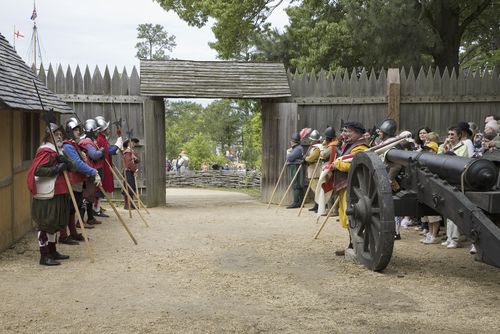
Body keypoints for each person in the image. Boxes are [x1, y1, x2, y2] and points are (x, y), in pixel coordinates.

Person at [27, 123, 77, 266]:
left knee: (55, 222)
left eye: (60, 134)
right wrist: (56, 169)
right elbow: (37, 170)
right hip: (47, 194)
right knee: (46, 223)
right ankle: (44, 255)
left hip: (60, 192)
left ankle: (53, 251)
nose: (59, 136)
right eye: (56, 134)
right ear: (48, 136)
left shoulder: (60, 151)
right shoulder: (45, 151)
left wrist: (66, 162)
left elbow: (73, 166)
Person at [59, 118, 101, 245]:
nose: (78, 132)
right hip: (71, 181)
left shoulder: (74, 145)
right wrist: (93, 171)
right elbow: (76, 164)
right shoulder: (67, 146)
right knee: (67, 209)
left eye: (78, 129)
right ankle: (63, 235)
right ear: (69, 131)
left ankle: (73, 233)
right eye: (75, 129)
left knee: (73, 209)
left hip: (77, 181)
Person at [332, 121, 369, 255]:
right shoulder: (352, 145)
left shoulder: (361, 147)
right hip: (348, 186)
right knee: (348, 217)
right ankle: (352, 244)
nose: (347, 134)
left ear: (359, 133)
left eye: (350, 131)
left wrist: (337, 163)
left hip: (355, 188)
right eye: (346, 131)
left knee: (353, 217)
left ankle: (356, 246)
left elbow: (353, 165)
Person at [438, 125, 469, 249]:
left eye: (452, 134)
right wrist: (444, 145)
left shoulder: (463, 147)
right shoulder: (447, 146)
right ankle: (449, 237)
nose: (450, 137)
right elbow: (438, 156)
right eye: (449, 134)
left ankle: (456, 239)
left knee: (455, 210)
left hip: (457, 180)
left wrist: (447, 151)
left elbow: (458, 159)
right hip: (447, 179)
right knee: (447, 211)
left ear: (459, 135)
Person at [94, 116, 123, 218]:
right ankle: (96, 209)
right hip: (101, 166)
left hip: (103, 165)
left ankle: (97, 208)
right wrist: (117, 145)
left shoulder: (102, 139)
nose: (109, 130)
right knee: (99, 188)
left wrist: (117, 150)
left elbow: (109, 152)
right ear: (103, 130)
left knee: (100, 188)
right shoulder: (100, 140)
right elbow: (108, 152)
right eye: (107, 128)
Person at [79, 119, 105, 227]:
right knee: (86, 196)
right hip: (88, 172)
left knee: (90, 196)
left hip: (92, 170)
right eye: (95, 131)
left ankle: (90, 218)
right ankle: (80, 221)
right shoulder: (86, 142)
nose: (97, 133)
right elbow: (94, 155)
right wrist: (102, 151)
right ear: (90, 131)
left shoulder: (90, 141)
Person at [418, 141, 443, 244]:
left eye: (428, 149)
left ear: (434, 151)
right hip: (426, 189)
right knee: (428, 216)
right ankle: (430, 233)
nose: (426, 151)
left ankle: (434, 235)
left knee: (434, 216)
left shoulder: (437, 161)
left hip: (434, 190)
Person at [318, 126, 339, 216]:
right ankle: (329, 208)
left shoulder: (333, 145)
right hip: (326, 167)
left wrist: (322, 146)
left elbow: (323, 154)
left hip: (330, 168)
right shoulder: (330, 144)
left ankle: (334, 210)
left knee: (331, 188)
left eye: (325, 137)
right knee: (327, 187)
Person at [304, 130, 323, 212]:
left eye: (312, 139)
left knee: (316, 188)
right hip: (312, 168)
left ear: (315, 140)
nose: (310, 141)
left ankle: (320, 205)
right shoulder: (313, 146)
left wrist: (305, 159)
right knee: (314, 187)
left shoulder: (317, 148)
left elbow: (312, 158)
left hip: (316, 168)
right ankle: (316, 204)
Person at [286, 132, 305, 209]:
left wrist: (288, 152)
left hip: (296, 167)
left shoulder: (298, 149)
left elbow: (290, 158)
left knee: (297, 184)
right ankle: (300, 203)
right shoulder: (295, 148)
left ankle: (296, 203)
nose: (290, 141)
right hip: (294, 167)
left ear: (294, 141)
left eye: (291, 140)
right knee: (297, 184)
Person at [121, 138, 141, 210]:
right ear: (129, 143)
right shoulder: (127, 152)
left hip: (131, 172)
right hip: (128, 172)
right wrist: (135, 170)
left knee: (131, 187)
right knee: (128, 188)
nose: (134, 144)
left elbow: (138, 160)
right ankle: (127, 204)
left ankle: (131, 203)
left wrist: (135, 158)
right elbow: (129, 163)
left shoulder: (133, 152)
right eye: (133, 142)